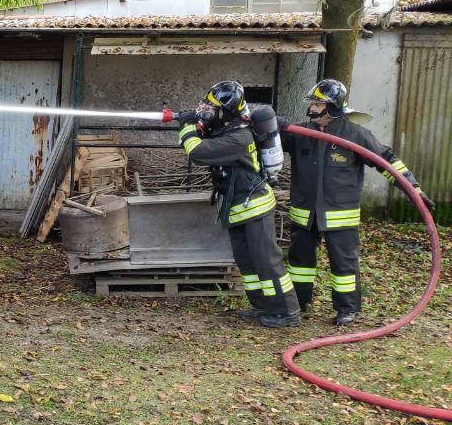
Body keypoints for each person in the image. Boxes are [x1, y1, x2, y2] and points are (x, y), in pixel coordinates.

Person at [281, 79, 432, 327]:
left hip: (340, 216)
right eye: (313, 103)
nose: (312, 108)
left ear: (333, 107)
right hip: (305, 214)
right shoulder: (300, 134)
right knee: (300, 263)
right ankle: (298, 303)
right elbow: (270, 140)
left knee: (344, 265)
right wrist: (271, 125)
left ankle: (347, 309)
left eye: (318, 104)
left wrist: (412, 189)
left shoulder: (355, 135)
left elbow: (386, 161)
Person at [176, 81, 300, 327]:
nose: (206, 111)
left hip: (254, 207)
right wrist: (198, 122)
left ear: (227, 111)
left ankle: (287, 312)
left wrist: (187, 126)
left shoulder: (238, 137)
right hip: (238, 206)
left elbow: (198, 152)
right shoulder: (226, 129)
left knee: (267, 261)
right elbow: (206, 138)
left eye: (212, 108)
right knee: (247, 261)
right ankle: (261, 305)